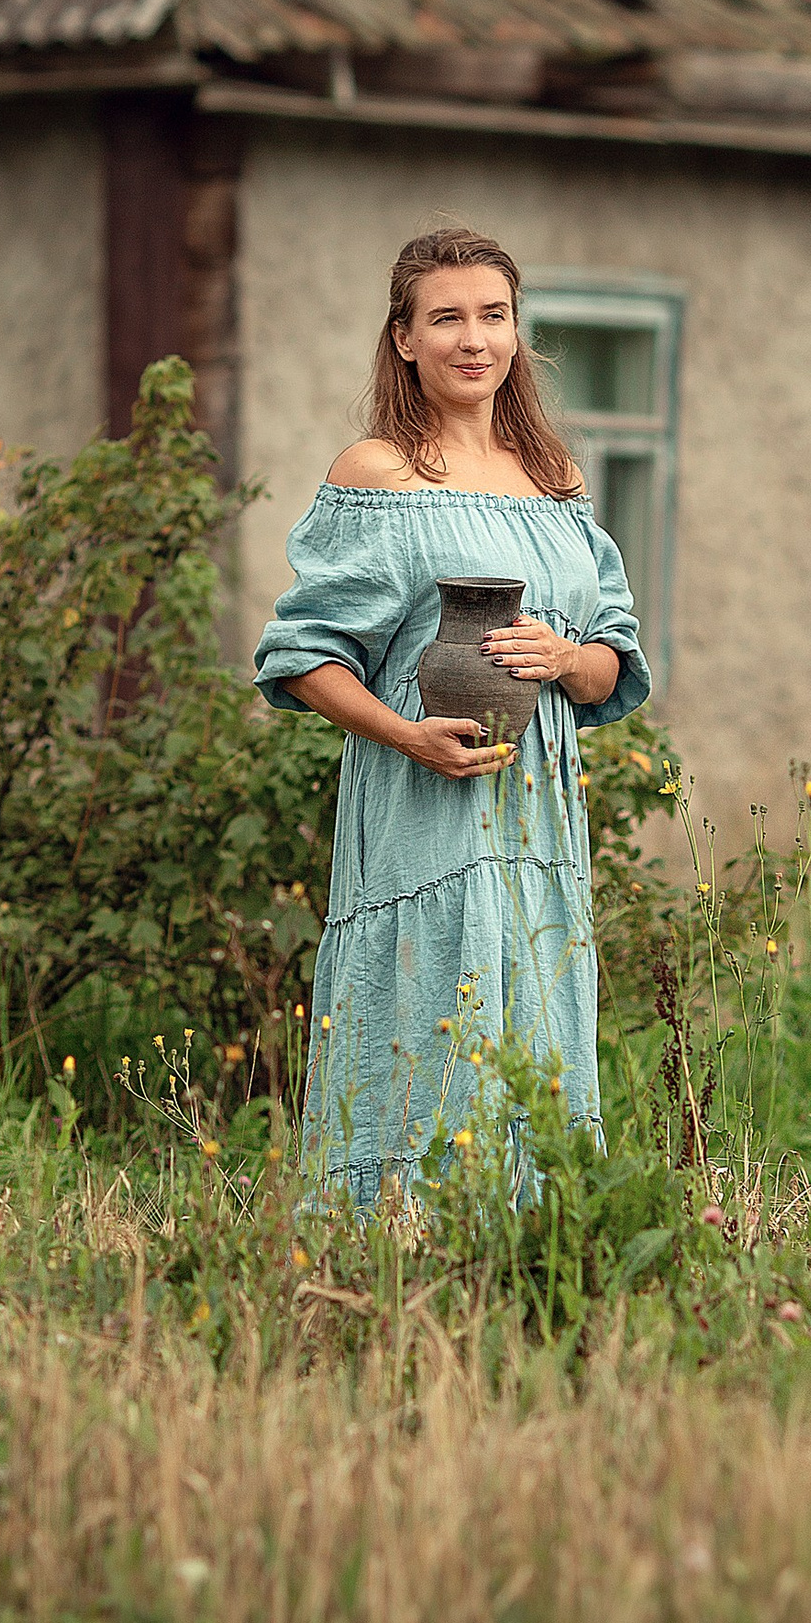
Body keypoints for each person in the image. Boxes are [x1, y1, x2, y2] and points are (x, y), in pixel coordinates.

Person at [252, 223, 650, 1211]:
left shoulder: (554, 482)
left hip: (539, 806)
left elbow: (612, 668)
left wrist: (564, 656)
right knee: (432, 994)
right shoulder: (378, 472)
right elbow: (301, 655)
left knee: (532, 997)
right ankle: (394, 1231)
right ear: (404, 338)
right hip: (421, 791)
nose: (473, 339)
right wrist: (405, 735)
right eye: (447, 318)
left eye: (493, 315)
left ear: (516, 333)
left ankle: (527, 1235)